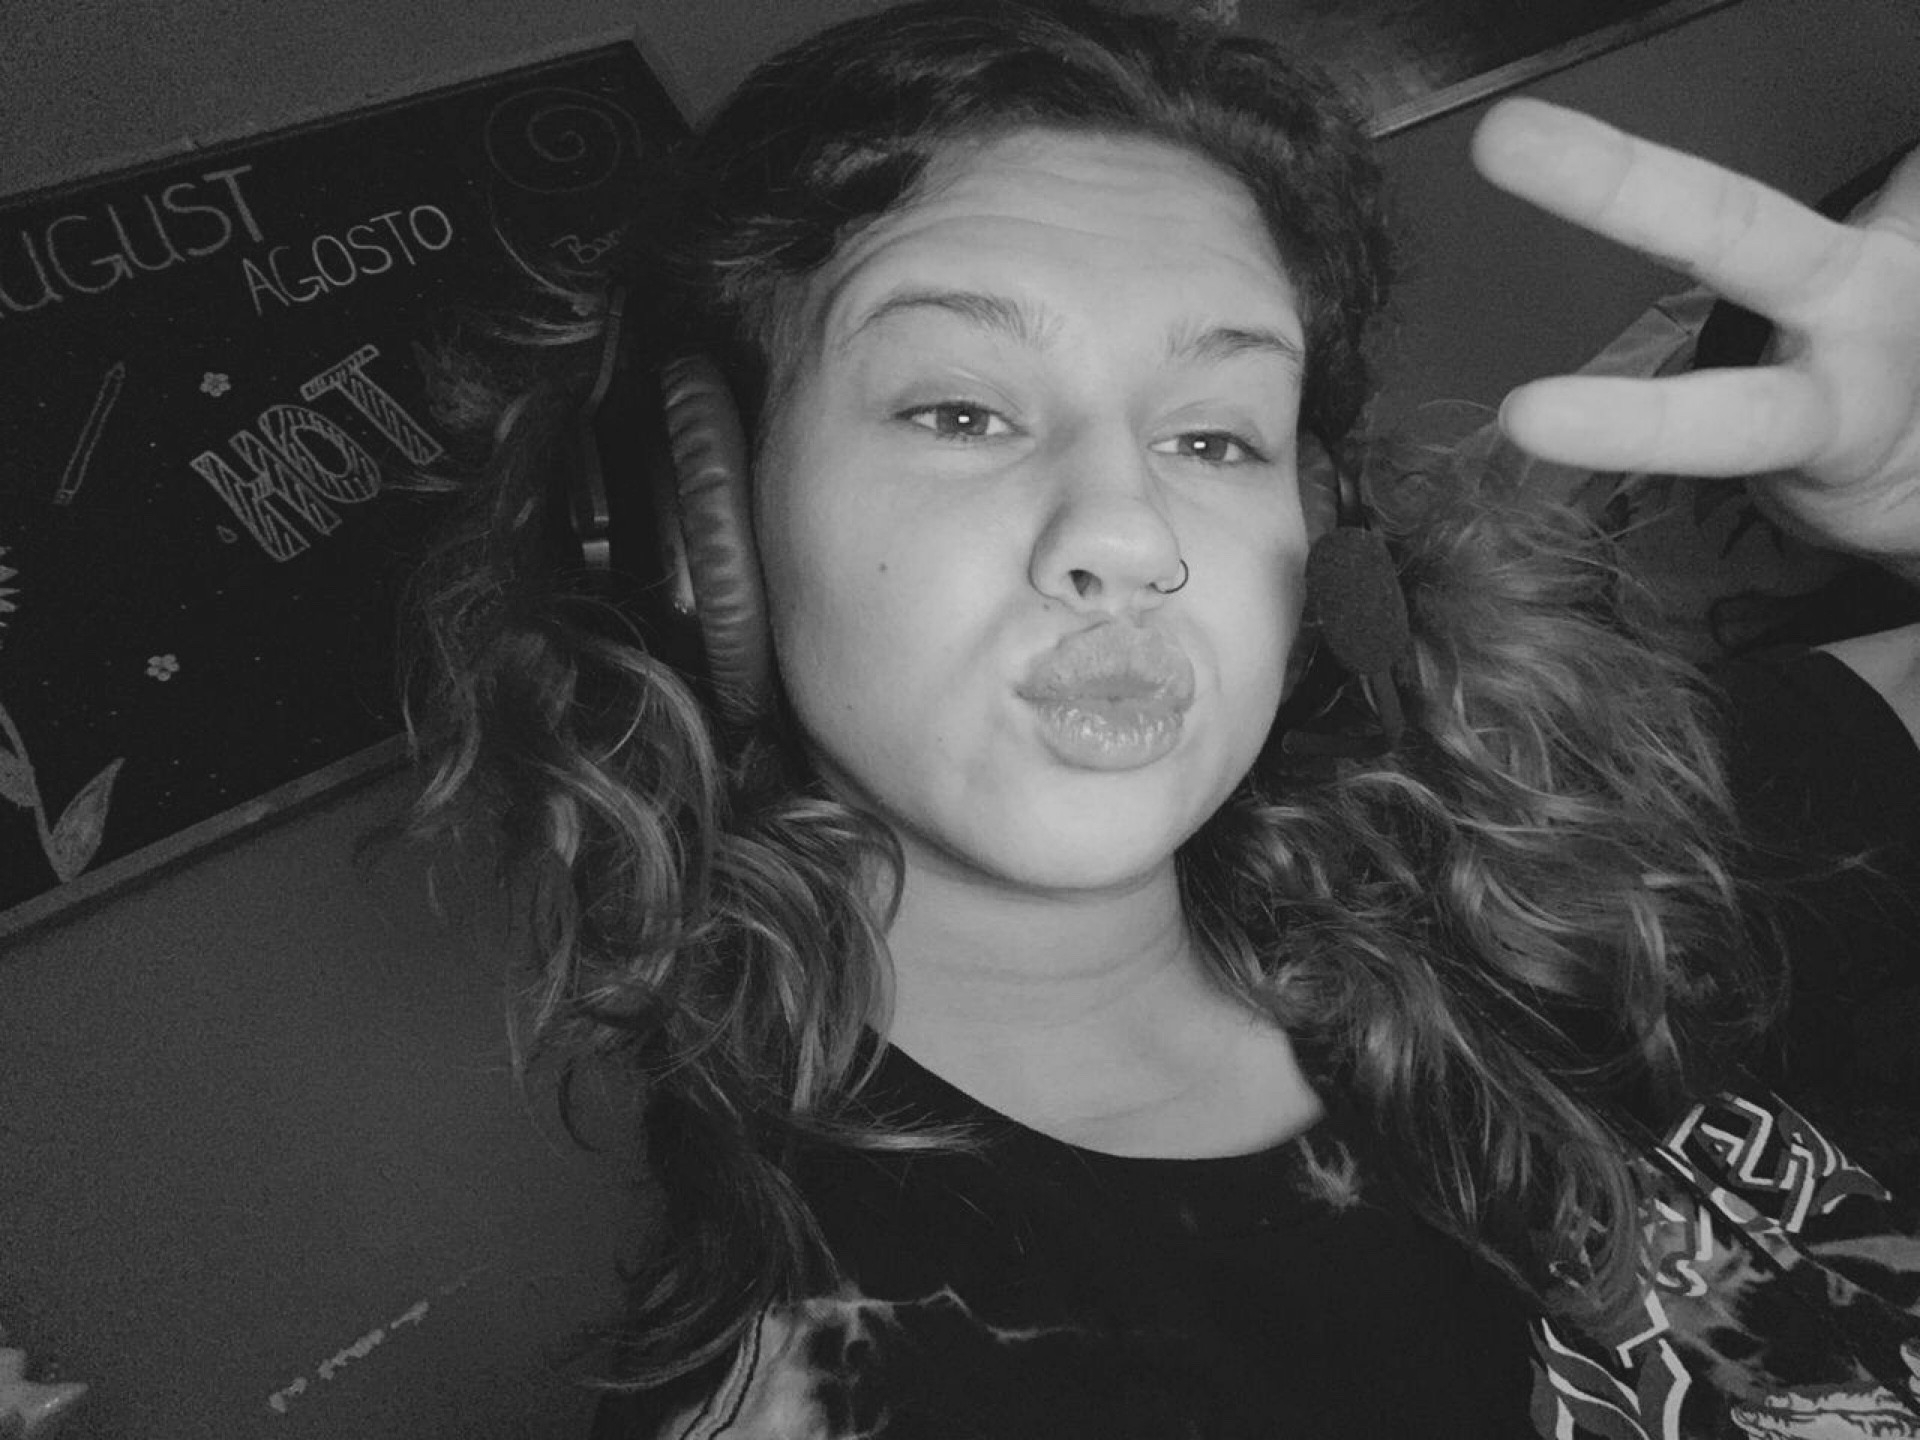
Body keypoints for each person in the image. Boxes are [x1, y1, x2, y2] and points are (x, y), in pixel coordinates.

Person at [403, 3, 1920, 1435]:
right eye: (960, 412)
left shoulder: (1572, 860)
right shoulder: (838, 1385)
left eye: (1212, 437)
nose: (1129, 534)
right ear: (702, 531)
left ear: (1317, 535)